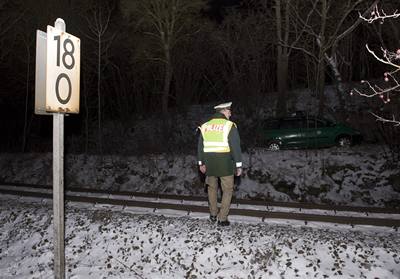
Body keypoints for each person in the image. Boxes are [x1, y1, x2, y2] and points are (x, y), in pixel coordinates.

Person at [197, 102, 242, 226]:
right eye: (229, 110)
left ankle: (213, 214)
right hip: (225, 164)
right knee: (227, 190)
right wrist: (238, 165)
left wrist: (201, 163)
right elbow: (235, 147)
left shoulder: (205, 126)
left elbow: (200, 146)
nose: (230, 113)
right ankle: (222, 218)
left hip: (209, 164)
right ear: (223, 111)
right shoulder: (229, 125)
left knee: (212, 188)